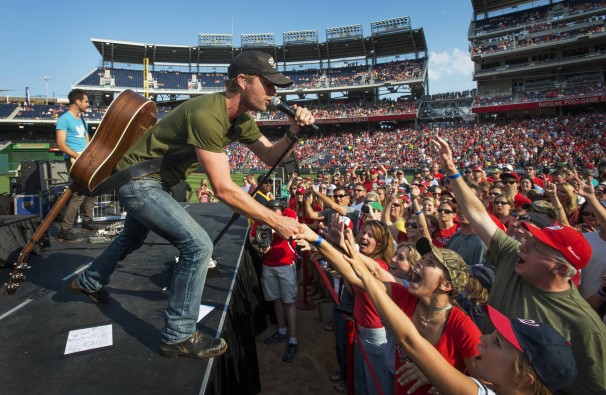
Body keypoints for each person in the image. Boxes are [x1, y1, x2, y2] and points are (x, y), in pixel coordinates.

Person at [69, 51, 314, 359]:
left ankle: (88, 281)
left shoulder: (240, 121)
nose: (275, 93)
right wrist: (277, 221)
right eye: (268, 84)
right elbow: (223, 189)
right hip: (139, 183)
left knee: (132, 237)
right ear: (242, 81)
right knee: (198, 247)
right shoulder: (207, 114)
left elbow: (269, 157)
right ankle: (178, 334)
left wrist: (293, 131)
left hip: (154, 183)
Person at [432, 135, 606, 393]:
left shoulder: (584, 326)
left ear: (561, 268)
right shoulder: (513, 256)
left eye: (536, 246)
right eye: (528, 239)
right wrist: (453, 172)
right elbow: (479, 215)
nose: (523, 245)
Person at [344, 239, 577, 395]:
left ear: (524, 379)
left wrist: (438, 376)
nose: (483, 339)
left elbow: (409, 340)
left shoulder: (462, 326)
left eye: (497, 342)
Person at [250, 200, 300, 363]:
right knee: (277, 300)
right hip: (268, 265)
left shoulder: (289, 214)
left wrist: (271, 227)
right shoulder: (260, 219)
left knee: (289, 302)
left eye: (275, 211)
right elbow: (252, 237)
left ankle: (293, 339)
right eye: (269, 211)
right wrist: (259, 246)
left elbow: (292, 229)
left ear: (282, 210)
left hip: (286, 264)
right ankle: (282, 330)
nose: (272, 215)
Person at [55, 89, 101, 241]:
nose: (88, 105)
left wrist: (91, 157)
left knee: (93, 189)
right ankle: (65, 229)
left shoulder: (82, 120)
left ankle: (87, 221)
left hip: (84, 159)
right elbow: (61, 145)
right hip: (75, 160)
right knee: (79, 194)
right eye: (86, 101)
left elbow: (87, 140)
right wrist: (78, 157)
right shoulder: (64, 119)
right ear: (77, 101)